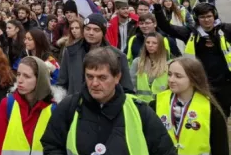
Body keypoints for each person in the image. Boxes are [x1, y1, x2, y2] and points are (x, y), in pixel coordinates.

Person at [41, 47, 177, 155]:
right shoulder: (69, 106)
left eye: (102, 77)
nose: (94, 83)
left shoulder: (139, 111)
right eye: (89, 76)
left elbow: (165, 151)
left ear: (117, 77)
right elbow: (52, 145)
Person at [153, 1, 231, 116]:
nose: (206, 20)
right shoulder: (190, 33)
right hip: (200, 83)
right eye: (202, 17)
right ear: (197, 19)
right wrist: (158, 8)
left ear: (214, 16)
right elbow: (167, 27)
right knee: (202, 113)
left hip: (225, 84)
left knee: (222, 115)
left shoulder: (226, 30)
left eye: (209, 16)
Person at [150, 56, 229, 155]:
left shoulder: (211, 109)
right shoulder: (156, 103)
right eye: (169, 74)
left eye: (178, 76)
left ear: (193, 79)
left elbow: (220, 148)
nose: (171, 79)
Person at [0, 56, 65, 154]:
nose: (20, 80)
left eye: (26, 76)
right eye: (18, 74)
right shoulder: (8, 104)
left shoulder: (54, 110)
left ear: (39, 79)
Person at [57, 13, 134, 95]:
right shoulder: (71, 52)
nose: (91, 33)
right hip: (76, 104)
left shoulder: (118, 56)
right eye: (88, 29)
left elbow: (126, 89)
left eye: (96, 30)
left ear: (103, 33)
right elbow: (62, 83)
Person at [130, 33, 170, 103]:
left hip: (161, 104)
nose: (150, 45)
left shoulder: (168, 65)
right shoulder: (137, 62)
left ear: (160, 45)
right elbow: (132, 85)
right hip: (141, 104)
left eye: (154, 43)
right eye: (147, 42)